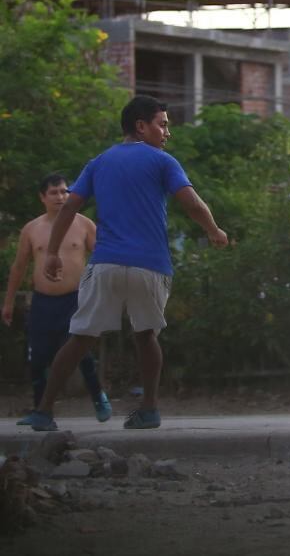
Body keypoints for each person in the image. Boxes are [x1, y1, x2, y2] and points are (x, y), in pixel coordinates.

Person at [25, 95, 228, 432]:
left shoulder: (99, 162)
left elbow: (70, 208)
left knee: (80, 337)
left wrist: (52, 251)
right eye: (162, 124)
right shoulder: (163, 161)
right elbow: (191, 203)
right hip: (150, 265)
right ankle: (148, 409)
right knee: (146, 336)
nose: (167, 133)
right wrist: (214, 230)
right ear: (140, 126)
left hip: (105, 264)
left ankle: (44, 411)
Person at [3, 174, 111, 425]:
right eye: (54, 192)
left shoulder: (84, 224)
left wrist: (104, 292)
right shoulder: (32, 229)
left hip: (76, 298)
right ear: (42, 197)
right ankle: (42, 411)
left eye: (65, 192)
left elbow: (103, 257)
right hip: (43, 300)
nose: (61, 197)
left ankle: (98, 396)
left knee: (78, 352)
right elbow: (19, 267)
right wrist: (8, 302)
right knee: (38, 357)